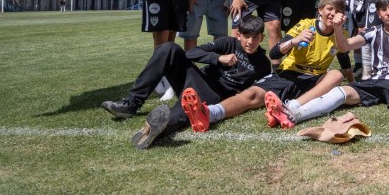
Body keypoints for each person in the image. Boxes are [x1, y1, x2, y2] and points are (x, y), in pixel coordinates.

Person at [265, 0, 389, 138]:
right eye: (383, 10)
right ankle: (293, 115)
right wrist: (337, 28)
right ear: (378, 14)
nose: (388, 13)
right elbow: (344, 47)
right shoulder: (372, 32)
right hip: (375, 83)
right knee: (340, 92)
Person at [178, 0, 353, 132]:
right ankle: (209, 114)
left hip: (315, 80)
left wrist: (352, 81)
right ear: (320, 10)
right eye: (330, 9)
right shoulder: (306, 25)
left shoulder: (341, 33)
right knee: (252, 95)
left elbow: (343, 55)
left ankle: (290, 109)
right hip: (288, 74)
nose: (334, 14)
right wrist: (294, 40)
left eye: (338, 11)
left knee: (336, 74)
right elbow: (275, 51)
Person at [100, 15, 270, 149]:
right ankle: (131, 104)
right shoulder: (228, 43)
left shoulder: (263, 63)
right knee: (169, 48)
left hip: (212, 95)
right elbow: (191, 53)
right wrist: (218, 58)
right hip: (194, 79)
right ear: (238, 35)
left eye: (255, 37)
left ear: (262, 37)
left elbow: (259, 90)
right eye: (246, 36)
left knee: (186, 110)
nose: (250, 42)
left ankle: (156, 130)